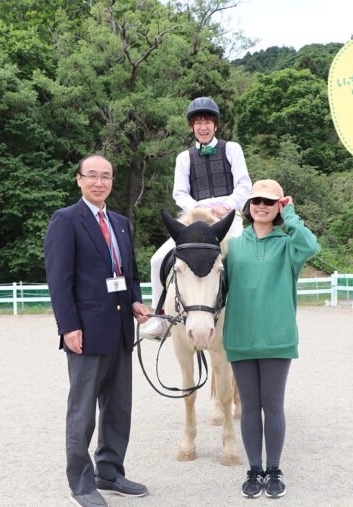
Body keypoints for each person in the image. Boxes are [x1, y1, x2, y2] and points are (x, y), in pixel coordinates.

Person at [44, 153, 152, 507]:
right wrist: (69, 327)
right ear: (79, 179)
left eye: (106, 176)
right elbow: (60, 281)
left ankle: (110, 471)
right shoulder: (66, 221)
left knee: (119, 407)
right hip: (86, 333)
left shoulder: (121, 223)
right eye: (92, 175)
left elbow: (130, 274)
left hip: (121, 330)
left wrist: (135, 300)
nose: (99, 182)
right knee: (83, 410)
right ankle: (81, 482)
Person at [222, 179, 320, 499]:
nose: (261, 206)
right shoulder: (233, 246)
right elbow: (212, 285)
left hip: (278, 338)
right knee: (250, 407)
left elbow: (311, 246)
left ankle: (274, 469)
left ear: (278, 206)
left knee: (273, 405)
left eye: (269, 201)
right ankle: (254, 470)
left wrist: (290, 214)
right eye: (256, 201)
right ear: (248, 207)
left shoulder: (289, 244)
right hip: (240, 338)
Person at [139, 96, 251, 338]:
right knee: (158, 260)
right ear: (191, 126)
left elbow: (244, 184)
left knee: (243, 261)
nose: (203, 127)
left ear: (216, 125)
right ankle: (161, 318)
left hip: (227, 218)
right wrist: (200, 210)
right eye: (198, 122)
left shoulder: (232, 149)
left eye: (208, 122)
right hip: (194, 217)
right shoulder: (183, 157)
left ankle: (247, 316)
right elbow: (179, 193)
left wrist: (227, 206)